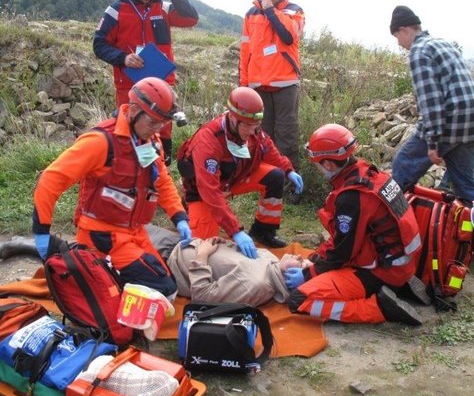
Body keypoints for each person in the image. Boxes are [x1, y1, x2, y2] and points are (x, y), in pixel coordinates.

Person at [388, 5, 474, 261]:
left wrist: (433, 142)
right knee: (466, 188)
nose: (399, 44)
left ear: (405, 29)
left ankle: (385, 233)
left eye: (397, 37)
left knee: (401, 170)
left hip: (450, 122)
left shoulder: (419, 51)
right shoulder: (441, 44)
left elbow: (431, 102)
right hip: (473, 120)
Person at [32, 77, 192, 298]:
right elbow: (50, 179)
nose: (158, 129)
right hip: (102, 235)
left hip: (133, 233)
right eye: (153, 122)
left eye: (162, 123)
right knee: (163, 291)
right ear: (134, 110)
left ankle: (94, 270)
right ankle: (89, 265)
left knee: (168, 285)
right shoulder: (100, 142)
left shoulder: (150, 142)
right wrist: (41, 231)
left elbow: (161, 182)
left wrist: (179, 216)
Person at [286, 124, 424, 326]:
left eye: (317, 162)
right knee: (317, 264)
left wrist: (308, 274)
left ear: (329, 164)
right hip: (400, 263)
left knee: (299, 299)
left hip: (382, 272)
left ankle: (379, 308)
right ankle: (396, 287)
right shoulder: (368, 174)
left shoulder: (352, 196)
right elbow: (346, 238)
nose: (316, 166)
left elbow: (343, 252)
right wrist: (316, 259)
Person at [176, 86, 304, 254]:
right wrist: (235, 231)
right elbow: (210, 191)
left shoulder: (251, 126)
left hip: (233, 179)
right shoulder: (208, 142)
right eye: (249, 127)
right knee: (201, 247)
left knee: (275, 176)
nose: (253, 132)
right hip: (203, 193)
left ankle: (263, 231)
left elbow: (267, 147)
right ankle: (185, 208)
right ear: (233, 118)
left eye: (256, 126)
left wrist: (288, 170)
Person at [93, 0, 199, 165]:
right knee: (129, 126)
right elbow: (99, 45)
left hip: (161, 82)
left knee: (162, 128)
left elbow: (191, 18)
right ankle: (128, 172)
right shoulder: (116, 11)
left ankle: (161, 171)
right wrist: (123, 58)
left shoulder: (164, 8)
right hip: (129, 84)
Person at [239, 0, 305, 176]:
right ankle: (266, 177)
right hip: (258, 85)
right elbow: (245, 50)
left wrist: (270, 10)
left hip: (285, 84)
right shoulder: (251, 14)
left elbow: (287, 37)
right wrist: (243, 83)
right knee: (261, 135)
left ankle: (290, 181)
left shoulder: (294, 11)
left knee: (287, 134)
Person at [167, 237, 312, 306]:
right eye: (303, 258)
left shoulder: (257, 285)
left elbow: (203, 296)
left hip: (170, 261)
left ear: (290, 278)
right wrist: (224, 243)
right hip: (183, 242)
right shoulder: (272, 260)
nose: (299, 255)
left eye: (301, 263)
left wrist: (202, 255)